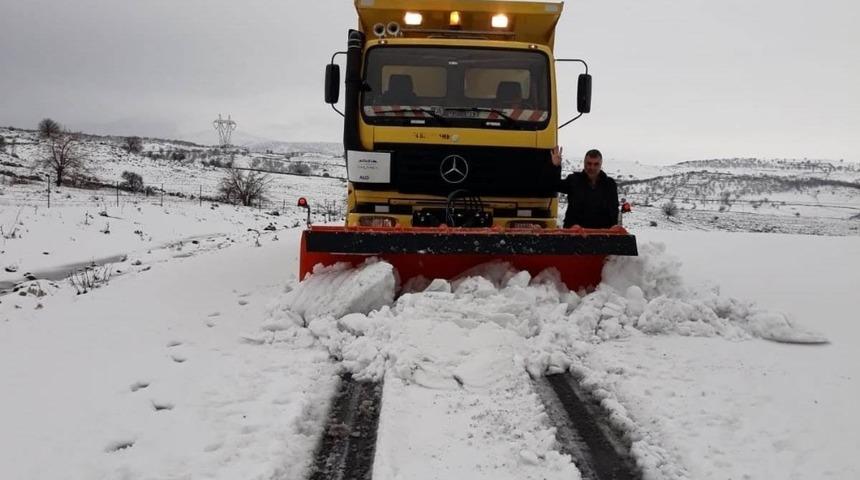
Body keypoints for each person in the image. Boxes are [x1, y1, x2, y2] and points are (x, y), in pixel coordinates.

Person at [550, 147, 619, 228]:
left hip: (602, 234)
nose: (592, 168)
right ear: (584, 163)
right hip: (574, 234)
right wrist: (555, 167)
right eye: (589, 163)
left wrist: (614, 228)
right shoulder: (574, 180)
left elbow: (614, 209)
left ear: (601, 164)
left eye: (596, 164)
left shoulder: (609, 184)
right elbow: (553, 185)